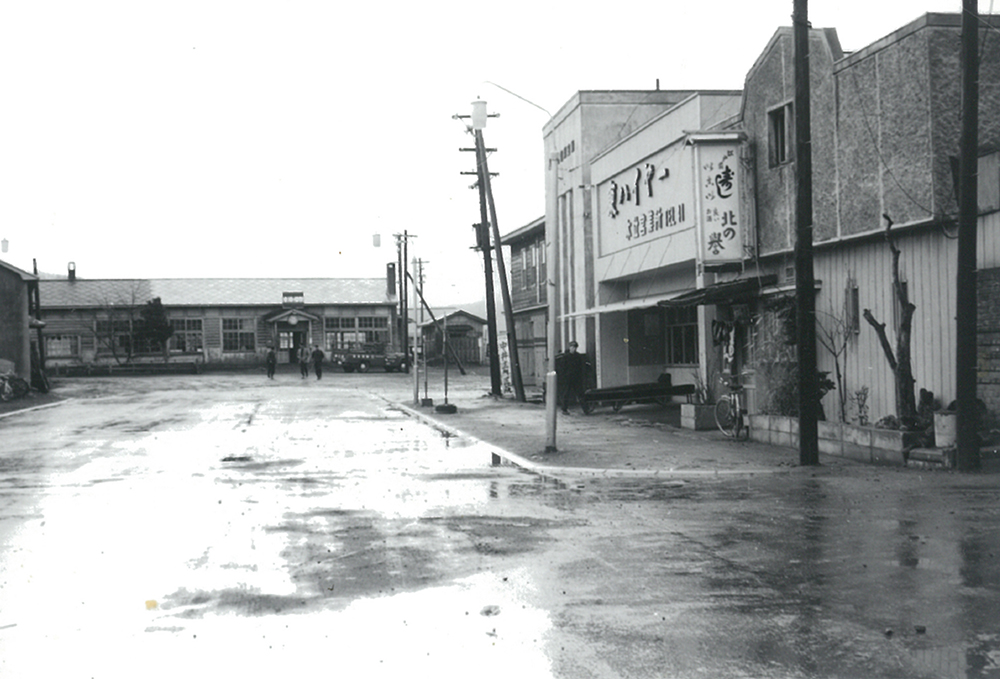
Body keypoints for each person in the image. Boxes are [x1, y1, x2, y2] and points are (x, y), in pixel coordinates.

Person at [556, 340, 588, 414]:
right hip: (568, 378)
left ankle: (585, 409)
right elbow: (562, 368)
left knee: (580, 394)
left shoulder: (578, 356)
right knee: (566, 394)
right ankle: (564, 409)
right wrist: (564, 377)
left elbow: (581, 367)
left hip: (576, 378)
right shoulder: (566, 357)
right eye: (572, 347)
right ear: (570, 347)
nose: (573, 349)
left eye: (574, 347)